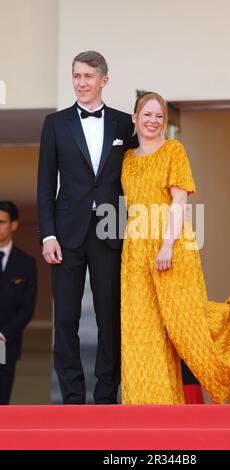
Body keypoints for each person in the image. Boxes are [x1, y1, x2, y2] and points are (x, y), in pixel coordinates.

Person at [120, 92, 230, 404]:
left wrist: (167, 245)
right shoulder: (127, 159)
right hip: (135, 249)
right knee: (143, 330)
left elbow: (180, 202)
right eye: (147, 115)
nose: (153, 121)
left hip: (172, 241)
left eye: (159, 116)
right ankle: (151, 409)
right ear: (135, 118)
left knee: (186, 318)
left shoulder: (173, 150)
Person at [37, 51, 136, 405]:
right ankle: (72, 398)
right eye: (76, 76)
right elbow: (46, 184)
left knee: (110, 316)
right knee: (66, 318)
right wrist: (47, 234)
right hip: (65, 233)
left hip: (111, 229)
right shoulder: (55, 123)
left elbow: (136, 179)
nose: (81, 83)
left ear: (104, 81)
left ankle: (107, 396)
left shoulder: (126, 124)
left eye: (88, 77)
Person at [0, 201, 37, 405]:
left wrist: (3, 335)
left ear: (14, 224)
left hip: (5, 342)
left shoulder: (26, 263)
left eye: (1, 222)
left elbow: (26, 309)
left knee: (1, 401)